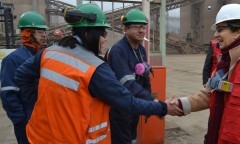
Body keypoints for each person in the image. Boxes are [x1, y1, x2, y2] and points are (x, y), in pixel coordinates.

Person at [14, 4, 173, 143]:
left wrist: (36, 106)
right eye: (103, 34)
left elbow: (21, 75)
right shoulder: (95, 69)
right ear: (89, 33)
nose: (105, 39)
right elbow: (127, 101)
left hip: (39, 136)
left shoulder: (49, 52)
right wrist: (161, 107)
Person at [168, 3, 240, 144]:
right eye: (217, 30)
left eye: (220, 29)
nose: (216, 35)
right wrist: (179, 104)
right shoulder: (223, 65)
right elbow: (207, 96)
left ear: (238, 31)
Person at [105, 9, 154, 144]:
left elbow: (145, 76)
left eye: (143, 26)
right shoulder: (118, 50)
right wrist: (150, 101)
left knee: (132, 137)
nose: (141, 30)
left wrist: (147, 101)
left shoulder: (141, 49)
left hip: (135, 105)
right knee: (122, 139)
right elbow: (126, 82)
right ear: (126, 28)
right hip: (120, 108)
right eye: (137, 26)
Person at [0, 11, 48, 144]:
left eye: (44, 31)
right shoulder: (13, 59)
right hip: (27, 121)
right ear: (28, 33)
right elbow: (8, 94)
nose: (44, 35)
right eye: (39, 32)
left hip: (46, 118)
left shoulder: (47, 55)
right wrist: (22, 120)